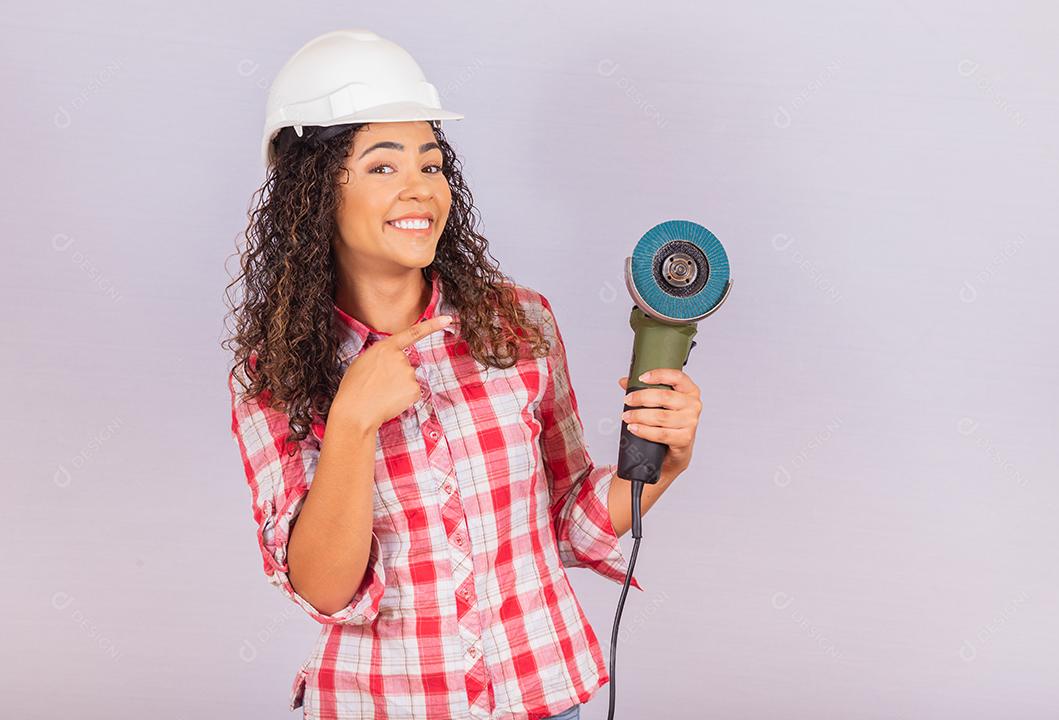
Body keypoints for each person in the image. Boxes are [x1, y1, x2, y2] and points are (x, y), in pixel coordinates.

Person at [224, 29, 701, 720]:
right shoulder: (273, 374)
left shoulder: (520, 325)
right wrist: (354, 422)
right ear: (315, 192)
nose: (419, 189)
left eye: (431, 163)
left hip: (542, 694)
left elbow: (569, 525)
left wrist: (662, 462)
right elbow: (324, 590)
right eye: (383, 167)